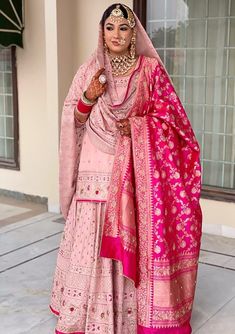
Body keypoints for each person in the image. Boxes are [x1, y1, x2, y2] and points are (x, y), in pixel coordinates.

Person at [50, 3, 202, 334]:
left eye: (123, 28)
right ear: (101, 32)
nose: (116, 34)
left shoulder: (150, 70)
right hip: (95, 165)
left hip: (132, 168)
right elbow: (73, 120)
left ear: (134, 33)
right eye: (109, 27)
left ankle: (129, 313)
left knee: (127, 224)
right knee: (92, 229)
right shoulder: (89, 69)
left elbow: (173, 123)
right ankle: (85, 311)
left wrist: (136, 127)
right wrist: (88, 98)